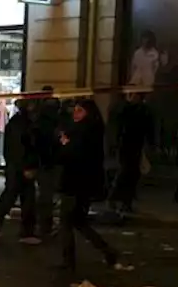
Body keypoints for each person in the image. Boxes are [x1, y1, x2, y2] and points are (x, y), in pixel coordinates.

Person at [56, 99, 119, 271]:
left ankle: (68, 261)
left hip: (75, 182)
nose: (75, 113)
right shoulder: (93, 130)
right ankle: (107, 250)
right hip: (85, 183)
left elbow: (73, 156)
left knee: (66, 222)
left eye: (80, 110)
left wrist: (64, 145)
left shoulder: (82, 132)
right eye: (74, 110)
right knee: (79, 221)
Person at [0, 97, 40, 243]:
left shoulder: (18, 123)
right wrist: (27, 166)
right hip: (20, 167)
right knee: (15, 197)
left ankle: (22, 230)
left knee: (21, 197)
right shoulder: (23, 124)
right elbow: (21, 148)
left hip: (17, 166)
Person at [107, 92, 154, 213]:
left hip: (135, 146)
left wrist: (150, 142)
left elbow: (148, 128)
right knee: (124, 173)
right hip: (126, 146)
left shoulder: (142, 111)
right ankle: (114, 199)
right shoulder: (125, 109)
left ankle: (126, 202)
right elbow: (117, 127)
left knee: (132, 175)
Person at [32, 86, 62, 238]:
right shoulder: (51, 118)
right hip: (48, 161)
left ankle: (42, 224)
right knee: (46, 195)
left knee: (44, 194)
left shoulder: (38, 116)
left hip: (43, 161)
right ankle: (44, 225)